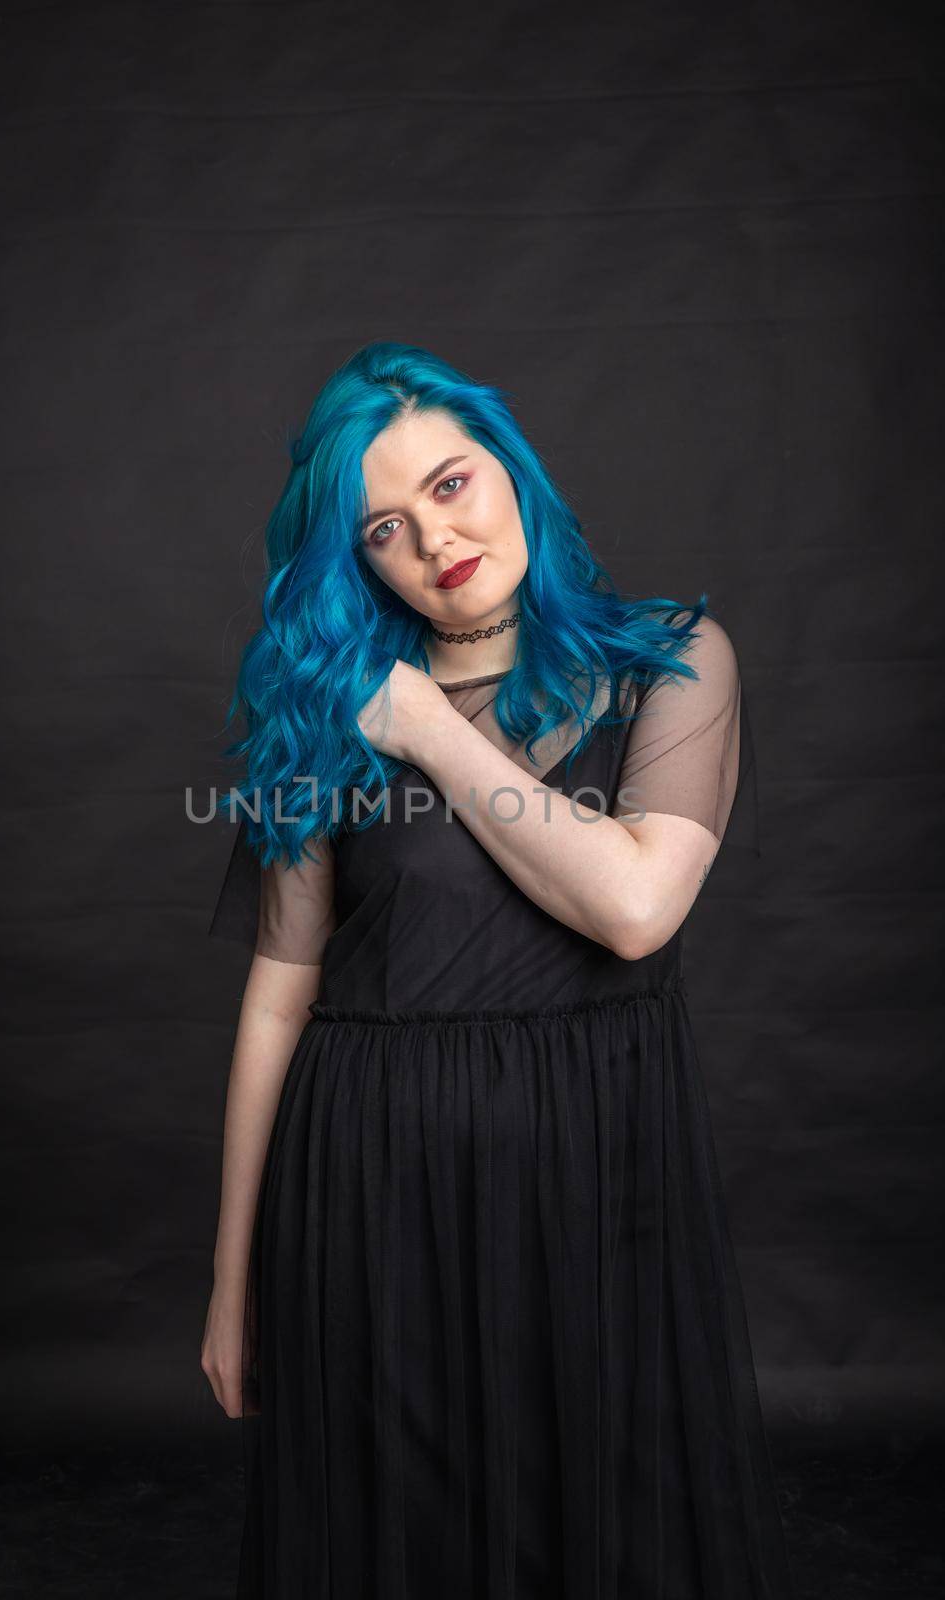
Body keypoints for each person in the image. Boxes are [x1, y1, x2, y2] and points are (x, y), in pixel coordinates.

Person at [200, 341, 794, 1599]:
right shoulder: (325, 719)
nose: (434, 539)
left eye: (453, 485)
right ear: (354, 560)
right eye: (384, 528)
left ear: (511, 472)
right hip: (365, 1189)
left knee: (597, 1522)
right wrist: (230, 1282)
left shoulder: (668, 664)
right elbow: (277, 993)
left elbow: (633, 905)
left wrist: (420, 722)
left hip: (592, 1179)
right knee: (396, 1542)